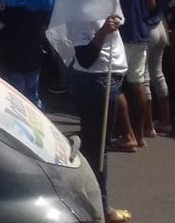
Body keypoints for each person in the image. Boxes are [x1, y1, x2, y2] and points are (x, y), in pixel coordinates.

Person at [68, 13, 130, 223]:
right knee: (97, 150)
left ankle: (91, 205)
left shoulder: (105, 2)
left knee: (95, 148)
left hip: (105, 78)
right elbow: (85, 58)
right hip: (97, 80)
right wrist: (104, 30)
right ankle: (98, 210)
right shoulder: (80, 10)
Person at [113, 0, 155, 150]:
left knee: (114, 85)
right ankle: (139, 135)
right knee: (137, 83)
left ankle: (126, 134)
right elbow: (151, 2)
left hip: (121, 33)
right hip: (141, 32)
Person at [131, 0, 171, 135]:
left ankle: (148, 126)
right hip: (161, 27)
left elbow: (150, 4)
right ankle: (165, 120)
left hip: (147, 28)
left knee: (144, 77)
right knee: (158, 74)